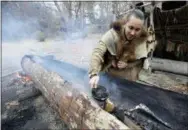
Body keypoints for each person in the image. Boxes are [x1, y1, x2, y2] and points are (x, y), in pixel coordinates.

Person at [88, 9, 149, 88]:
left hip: (129, 76)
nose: (133, 33)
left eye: (137, 30)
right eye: (131, 28)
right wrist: (93, 74)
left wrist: (127, 65)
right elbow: (98, 52)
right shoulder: (113, 34)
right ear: (125, 24)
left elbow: (140, 60)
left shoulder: (141, 38)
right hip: (111, 73)